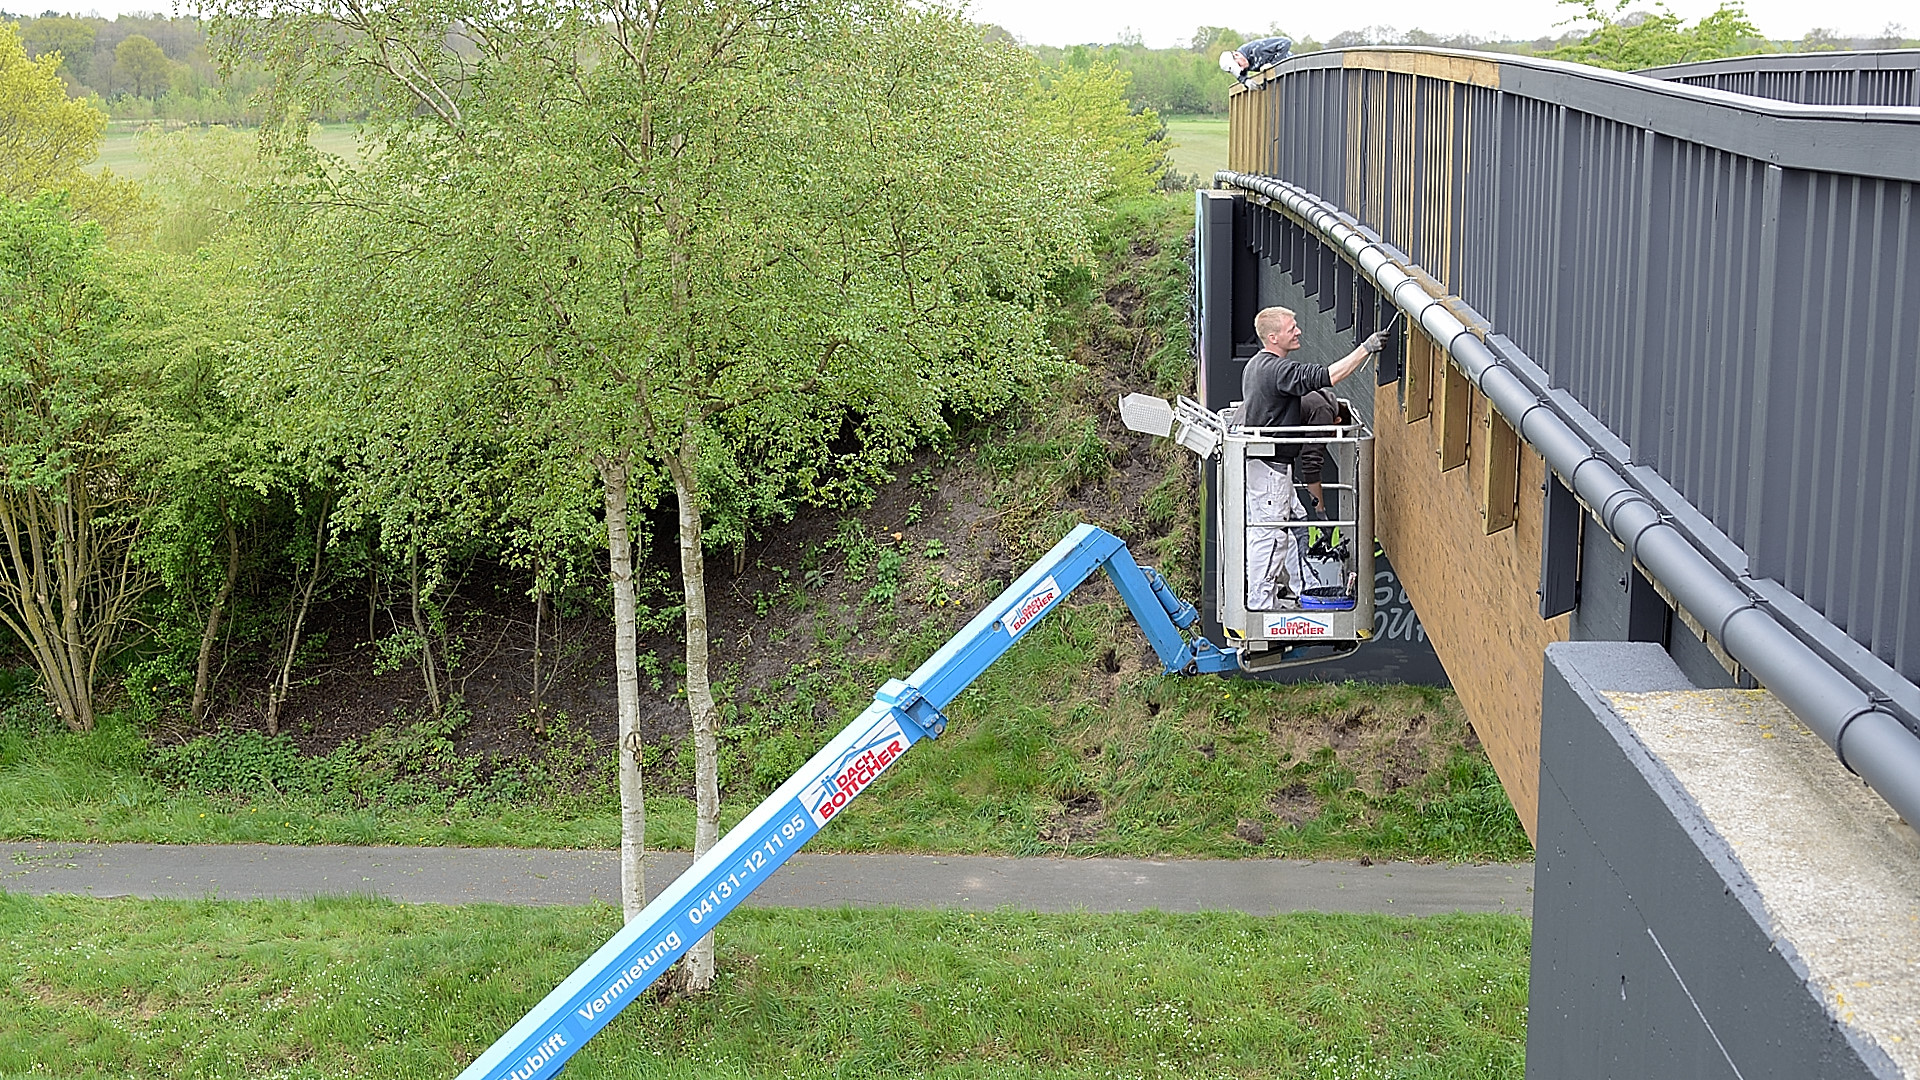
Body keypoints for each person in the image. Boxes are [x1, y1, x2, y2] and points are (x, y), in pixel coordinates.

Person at [1239, 306, 1384, 610]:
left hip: (1268, 468)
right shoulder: (1277, 370)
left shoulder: (1257, 366)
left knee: (1293, 526)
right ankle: (1259, 605)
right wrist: (1365, 349)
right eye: (1292, 328)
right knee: (1271, 537)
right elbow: (1327, 376)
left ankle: (1301, 589)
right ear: (1273, 336)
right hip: (1271, 471)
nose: (1299, 331)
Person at [1219, 36, 1293, 84]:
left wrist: (1273, 64)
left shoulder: (1258, 48)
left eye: (1239, 65)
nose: (1242, 68)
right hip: (1282, 77)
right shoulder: (1242, 62)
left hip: (1292, 67)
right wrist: (1246, 81)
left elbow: (1286, 42)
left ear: (1236, 55)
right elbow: (1240, 75)